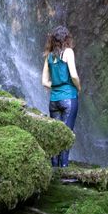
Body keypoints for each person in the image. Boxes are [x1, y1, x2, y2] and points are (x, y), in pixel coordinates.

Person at [41, 25, 81, 167]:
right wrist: (78, 87)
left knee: (55, 134)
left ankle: (54, 168)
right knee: (66, 135)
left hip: (54, 101)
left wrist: (57, 85)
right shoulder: (68, 52)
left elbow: (44, 82)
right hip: (69, 98)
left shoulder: (49, 57)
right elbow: (74, 75)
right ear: (66, 39)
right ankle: (64, 169)